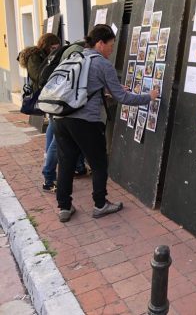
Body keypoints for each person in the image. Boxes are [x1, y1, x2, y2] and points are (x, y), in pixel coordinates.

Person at [53, 25, 159, 222]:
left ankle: (64, 207)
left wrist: (108, 90)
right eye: (111, 45)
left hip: (62, 118)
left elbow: (84, 88)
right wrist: (149, 97)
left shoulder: (75, 56)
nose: (112, 49)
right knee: (99, 163)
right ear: (100, 43)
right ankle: (100, 205)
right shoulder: (102, 64)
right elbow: (123, 98)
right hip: (86, 122)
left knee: (66, 163)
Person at [18, 33, 64, 192]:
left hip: (51, 95)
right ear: (46, 45)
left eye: (57, 48)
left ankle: (49, 159)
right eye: (53, 47)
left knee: (53, 125)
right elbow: (39, 76)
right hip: (44, 96)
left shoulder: (44, 55)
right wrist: (51, 63)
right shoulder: (34, 57)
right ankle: (49, 171)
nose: (55, 50)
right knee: (55, 128)